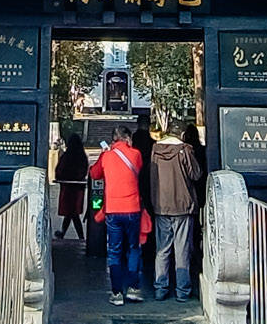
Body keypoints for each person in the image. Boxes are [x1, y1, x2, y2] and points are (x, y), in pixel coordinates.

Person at [148, 119, 205, 301]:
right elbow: (196, 174)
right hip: (182, 205)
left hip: (161, 205)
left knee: (162, 249)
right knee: (182, 250)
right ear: (181, 134)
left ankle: (160, 288)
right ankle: (182, 291)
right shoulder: (184, 150)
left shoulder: (155, 150)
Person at [90, 127, 145, 306]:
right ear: (128, 138)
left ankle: (116, 293)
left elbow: (94, 174)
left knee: (114, 251)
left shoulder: (107, 156)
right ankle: (133, 288)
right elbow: (138, 169)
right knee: (133, 248)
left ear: (114, 139)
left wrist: (103, 154)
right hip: (132, 208)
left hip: (113, 209)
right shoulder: (136, 154)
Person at [54, 135, 89, 241]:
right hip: (78, 188)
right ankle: (77, 235)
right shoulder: (82, 156)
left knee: (70, 213)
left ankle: (73, 235)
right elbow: (84, 170)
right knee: (73, 213)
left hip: (67, 187)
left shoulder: (66, 156)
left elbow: (59, 170)